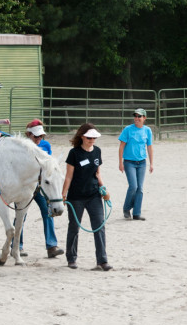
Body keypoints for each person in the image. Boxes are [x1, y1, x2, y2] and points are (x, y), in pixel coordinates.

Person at [61, 123, 113, 271]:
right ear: (82, 137)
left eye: (94, 138)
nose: (92, 140)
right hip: (76, 196)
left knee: (99, 227)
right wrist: (64, 194)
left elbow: (97, 173)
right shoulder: (74, 153)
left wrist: (104, 189)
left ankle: (102, 260)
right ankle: (71, 258)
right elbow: (68, 177)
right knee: (74, 227)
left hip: (94, 195)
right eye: (89, 137)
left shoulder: (97, 151)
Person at [18, 120, 63, 259]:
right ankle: (17, 245)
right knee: (21, 216)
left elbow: (49, 165)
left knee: (48, 212)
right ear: (28, 134)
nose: (39, 139)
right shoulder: (22, 147)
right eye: (36, 136)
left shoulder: (45, 145)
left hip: (42, 187)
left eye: (41, 136)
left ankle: (51, 246)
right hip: (26, 186)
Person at [118, 108, 154, 221]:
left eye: (139, 116)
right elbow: (121, 147)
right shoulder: (128, 130)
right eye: (136, 116)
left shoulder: (147, 130)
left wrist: (151, 163)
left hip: (142, 163)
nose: (137, 118)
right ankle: (126, 208)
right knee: (133, 186)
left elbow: (149, 147)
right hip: (129, 162)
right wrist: (120, 162)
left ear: (144, 118)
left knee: (140, 188)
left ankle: (137, 213)